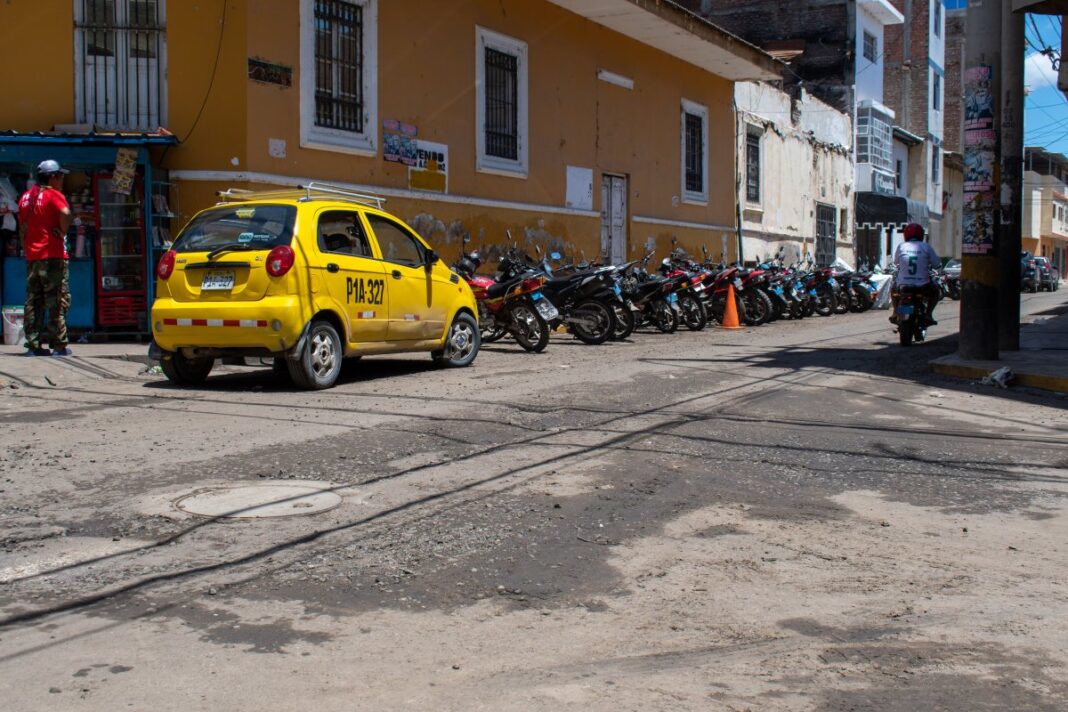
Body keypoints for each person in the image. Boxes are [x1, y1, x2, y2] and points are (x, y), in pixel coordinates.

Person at [18, 160, 73, 356]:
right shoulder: (53, 195)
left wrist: (27, 250)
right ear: (52, 177)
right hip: (52, 256)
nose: (62, 179)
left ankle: (33, 345)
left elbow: (22, 229)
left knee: (34, 301)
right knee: (57, 300)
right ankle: (58, 345)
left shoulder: (25, 198)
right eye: (60, 176)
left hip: (33, 258)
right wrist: (63, 231)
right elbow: (66, 212)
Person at [892, 222, 941, 326]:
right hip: (922, 285)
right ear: (921, 235)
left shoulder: (901, 246)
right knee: (936, 291)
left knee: (893, 289)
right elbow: (937, 264)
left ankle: (895, 312)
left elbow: (896, 262)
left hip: (903, 284)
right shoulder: (926, 247)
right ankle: (928, 314)